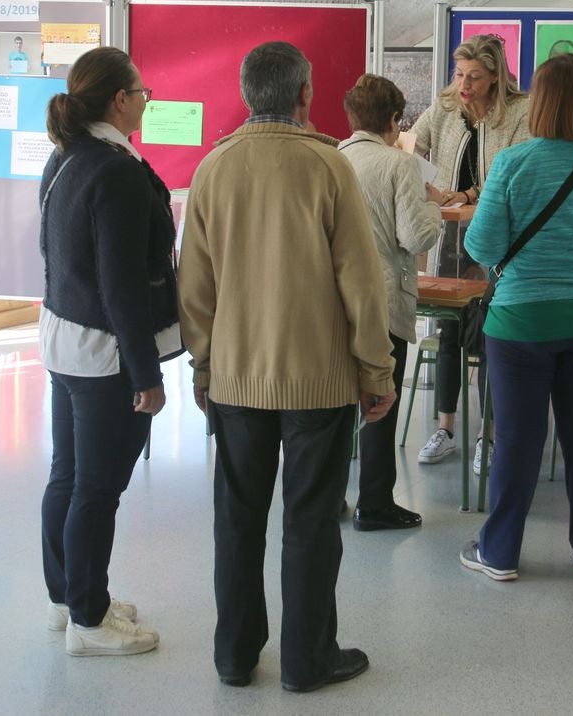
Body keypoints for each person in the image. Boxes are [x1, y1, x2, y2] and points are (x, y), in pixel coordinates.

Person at [179, 41, 396, 692]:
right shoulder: (329, 169)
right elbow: (362, 282)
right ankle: (307, 660)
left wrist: (203, 367)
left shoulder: (212, 170)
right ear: (305, 94)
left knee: (237, 520)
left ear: (248, 95)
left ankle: (235, 656)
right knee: (310, 522)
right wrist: (376, 371)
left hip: (238, 379)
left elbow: (194, 286)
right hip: (319, 380)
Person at [458, 53, 573, 583]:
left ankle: (499, 553)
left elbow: (482, 243)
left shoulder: (513, 164)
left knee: (518, 439)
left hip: (522, 323)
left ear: (537, 102)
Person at [39, 47, 178, 656]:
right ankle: (89, 624)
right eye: (142, 92)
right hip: (103, 355)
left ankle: (70, 596)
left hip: (64, 340)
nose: (146, 101)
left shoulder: (66, 157)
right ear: (119, 99)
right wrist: (147, 375)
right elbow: (120, 282)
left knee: (67, 477)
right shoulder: (115, 171)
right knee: (97, 489)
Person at [410, 34, 531, 474]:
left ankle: (489, 436)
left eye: (475, 77)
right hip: (449, 237)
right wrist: (426, 186)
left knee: (490, 336)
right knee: (447, 330)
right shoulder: (444, 108)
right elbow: (412, 147)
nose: (464, 84)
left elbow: (512, 173)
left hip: (498, 239)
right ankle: (445, 428)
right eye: (460, 74)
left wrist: (464, 193)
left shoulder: (519, 112)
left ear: (496, 76)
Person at [338, 74, 442, 531]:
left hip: (336, 299)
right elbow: (416, 235)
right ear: (396, 120)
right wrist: (434, 206)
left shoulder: (334, 158)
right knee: (382, 401)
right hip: (385, 299)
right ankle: (375, 503)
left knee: (337, 405)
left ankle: (328, 498)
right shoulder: (399, 165)